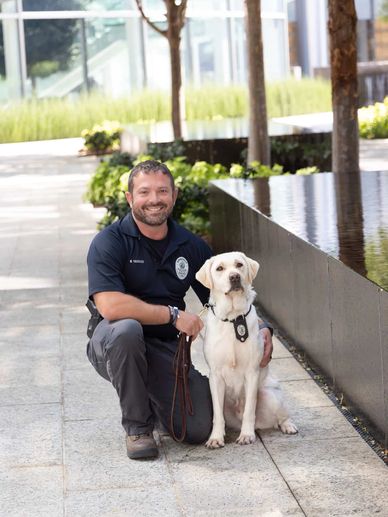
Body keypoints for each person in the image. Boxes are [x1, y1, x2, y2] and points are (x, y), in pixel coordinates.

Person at [86, 159, 273, 460]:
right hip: (112, 341)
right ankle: (138, 428)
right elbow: (109, 306)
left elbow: (226, 297)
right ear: (130, 198)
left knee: (199, 428)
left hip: (165, 349)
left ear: (174, 195)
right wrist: (172, 316)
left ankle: (155, 398)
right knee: (127, 330)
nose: (155, 200)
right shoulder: (110, 242)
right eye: (144, 192)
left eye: (162, 191)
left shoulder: (190, 245)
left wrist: (262, 328)